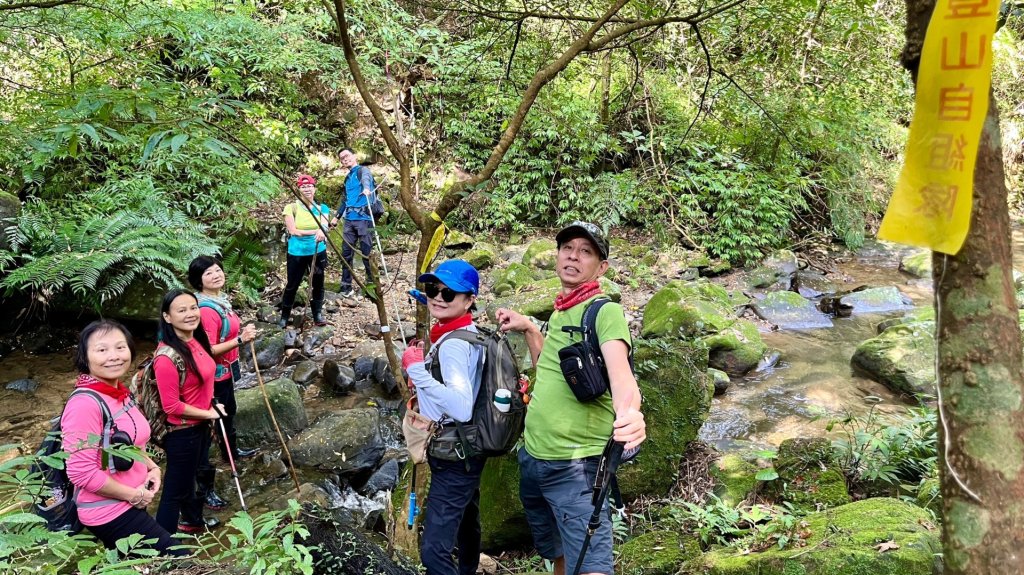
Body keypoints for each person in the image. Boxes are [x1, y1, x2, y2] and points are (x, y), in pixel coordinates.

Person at [496, 222, 646, 575]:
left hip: (576, 468)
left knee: (590, 565)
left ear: (602, 267)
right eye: (568, 248)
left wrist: (631, 415)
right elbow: (549, 369)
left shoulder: (604, 312)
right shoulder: (563, 309)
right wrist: (531, 328)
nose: (573, 256)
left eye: (586, 251)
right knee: (558, 552)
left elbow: (623, 378)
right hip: (534, 458)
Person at [62, 319, 184, 556]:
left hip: (130, 501)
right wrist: (135, 496)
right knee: (180, 560)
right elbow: (80, 472)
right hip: (108, 509)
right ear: (85, 358)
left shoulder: (118, 393)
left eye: (120, 347)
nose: (114, 356)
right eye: (102, 350)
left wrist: (152, 467)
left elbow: (130, 442)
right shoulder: (84, 404)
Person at [400, 260, 485, 575]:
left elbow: (461, 406)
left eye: (449, 293)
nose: (438, 297)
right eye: (432, 289)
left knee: (434, 553)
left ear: (469, 299)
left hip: (455, 455)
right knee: (466, 523)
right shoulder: (465, 331)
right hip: (470, 448)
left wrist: (416, 370)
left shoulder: (452, 346)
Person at [187, 256, 259, 512]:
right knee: (207, 430)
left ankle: (232, 453)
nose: (216, 275)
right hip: (210, 379)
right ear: (199, 280)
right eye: (209, 273)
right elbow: (207, 349)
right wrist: (240, 339)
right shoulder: (206, 310)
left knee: (229, 412)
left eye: (218, 270)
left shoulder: (221, 302)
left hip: (225, 373)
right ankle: (205, 490)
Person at [153, 289, 225, 535]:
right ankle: (161, 546)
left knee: (190, 482)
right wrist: (209, 414)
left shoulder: (196, 340)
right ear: (168, 317)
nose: (190, 314)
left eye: (193, 307)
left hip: (200, 425)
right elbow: (171, 406)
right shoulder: (166, 357)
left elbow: (203, 382)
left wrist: (212, 404)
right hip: (182, 432)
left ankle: (192, 522)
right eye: (181, 310)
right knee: (175, 490)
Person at [279, 173, 330, 327]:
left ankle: (317, 314)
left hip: (317, 251)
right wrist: (317, 231)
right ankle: (284, 316)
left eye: (309, 186)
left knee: (318, 283)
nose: (307, 189)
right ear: (298, 189)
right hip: (297, 252)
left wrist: (323, 230)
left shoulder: (322, 208)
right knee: (292, 284)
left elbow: (325, 225)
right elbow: (294, 231)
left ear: (314, 189)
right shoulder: (291, 208)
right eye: (303, 186)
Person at [330, 148, 376, 298]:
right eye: (342, 158)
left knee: (366, 254)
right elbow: (345, 199)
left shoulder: (362, 171)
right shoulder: (347, 178)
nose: (345, 159)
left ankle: (371, 286)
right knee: (346, 254)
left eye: (347, 156)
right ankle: (346, 286)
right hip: (349, 220)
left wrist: (367, 189)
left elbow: (366, 180)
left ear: (354, 156)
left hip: (364, 219)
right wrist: (336, 217)